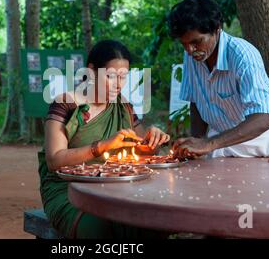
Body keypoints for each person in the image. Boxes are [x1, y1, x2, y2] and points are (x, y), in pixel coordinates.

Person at [38, 40, 171, 239]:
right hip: (68, 188)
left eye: (123, 77)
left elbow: (141, 152)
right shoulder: (66, 103)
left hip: (115, 185)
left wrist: (153, 140)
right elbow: (54, 160)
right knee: (99, 229)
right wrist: (102, 146)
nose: (118, 84)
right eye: (110, 76)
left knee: (153, 223)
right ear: (91, 72)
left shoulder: (123, 106)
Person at [167, 0, 269, 159]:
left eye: (196, 42)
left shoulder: (243, 55)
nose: (190, 50)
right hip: (219, 143)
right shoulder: (191, 56)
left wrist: (208, 144)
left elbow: (265, 118)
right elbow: (195, 101)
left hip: (258, 144)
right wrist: (196, 142)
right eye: (184, 44)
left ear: (217, 29)